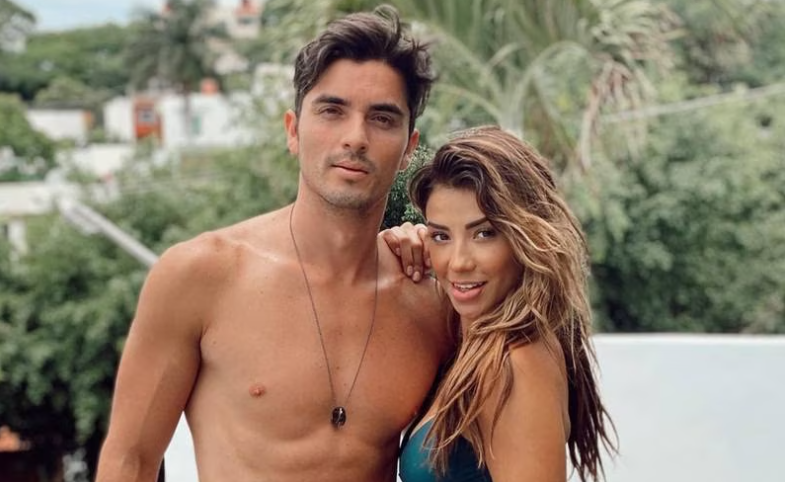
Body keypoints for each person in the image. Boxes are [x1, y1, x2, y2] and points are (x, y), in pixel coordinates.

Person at [95, 7, 452, 482]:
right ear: (293, 130)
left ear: (409, 147)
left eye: (382, 118)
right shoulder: (201, 276)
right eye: (332, 111)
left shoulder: (431, 299)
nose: (355, 138)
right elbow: (130, 461)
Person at [386, 126, 616, 481]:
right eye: (441, 235)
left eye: (484, 233)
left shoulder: (514, 362)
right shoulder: (472, 343)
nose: (458, 262)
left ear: (526, 237)